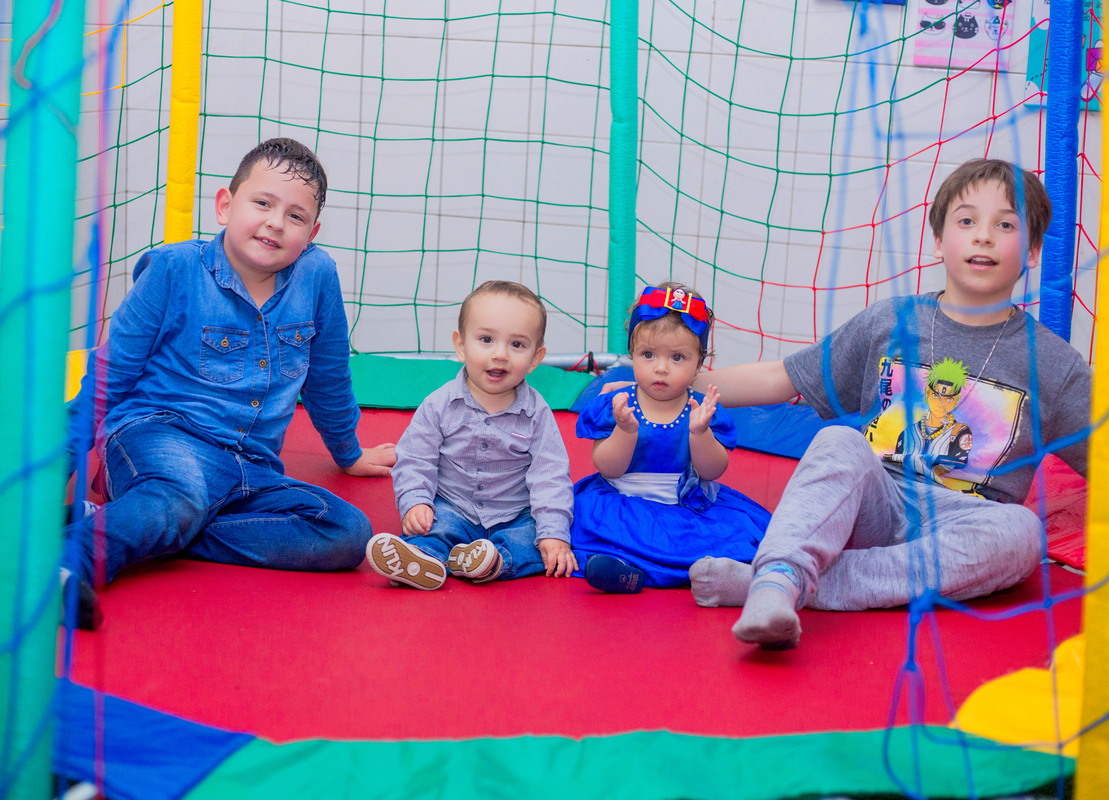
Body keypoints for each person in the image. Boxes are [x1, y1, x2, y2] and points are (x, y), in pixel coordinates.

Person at [688, 158, 1091, 649]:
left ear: (1031, 251)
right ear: (940, 241)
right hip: (873, 503)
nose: (983, 236)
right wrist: (684, 383)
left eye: (1004, 225)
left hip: (961, 528)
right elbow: (780, 377)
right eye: (967, 221)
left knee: (1022, 532)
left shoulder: (1054, 365)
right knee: (838, 440)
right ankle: (779, 578)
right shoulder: (891, 320)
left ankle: (783, 584)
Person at [64, 138, 395, 626]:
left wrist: (348, 452)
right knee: (180, 494)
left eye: (296, 216)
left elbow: (328, 377)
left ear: (313, 233)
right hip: (160, 434)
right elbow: (109, 376)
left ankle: (138, 525)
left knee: (346, 533)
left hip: (249, 464)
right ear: (225, 205)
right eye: (262, 203)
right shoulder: (174, 269)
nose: (276, 222)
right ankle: (70, 565)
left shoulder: (317, 276)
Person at [365, 281, 576, 589]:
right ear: (461, 346)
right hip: (454, 507)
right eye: (486, 339)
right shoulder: (440, 404)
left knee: (535, 540)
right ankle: (422, 558)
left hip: (515, 515)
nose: (501, 354)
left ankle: (492, 561)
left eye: (517, 345)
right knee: (436, 526)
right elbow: (414, 459)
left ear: (535, 358)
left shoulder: (537, 414)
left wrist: (554, 533)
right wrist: (416, 502)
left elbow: (551, 476)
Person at [571, 283, 770, 594]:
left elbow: (712, 472)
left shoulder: (701, 409)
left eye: (677, 357)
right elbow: (607, 468)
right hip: (623, 503)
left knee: (723, 541)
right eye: (648, 354)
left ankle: (693, 571)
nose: (661, 368)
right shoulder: (617, 403)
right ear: (632, 354)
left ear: (698, 363)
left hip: (685, 508)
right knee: (597, 533)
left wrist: (700, 433)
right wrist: (625, 431)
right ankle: (628, 573)